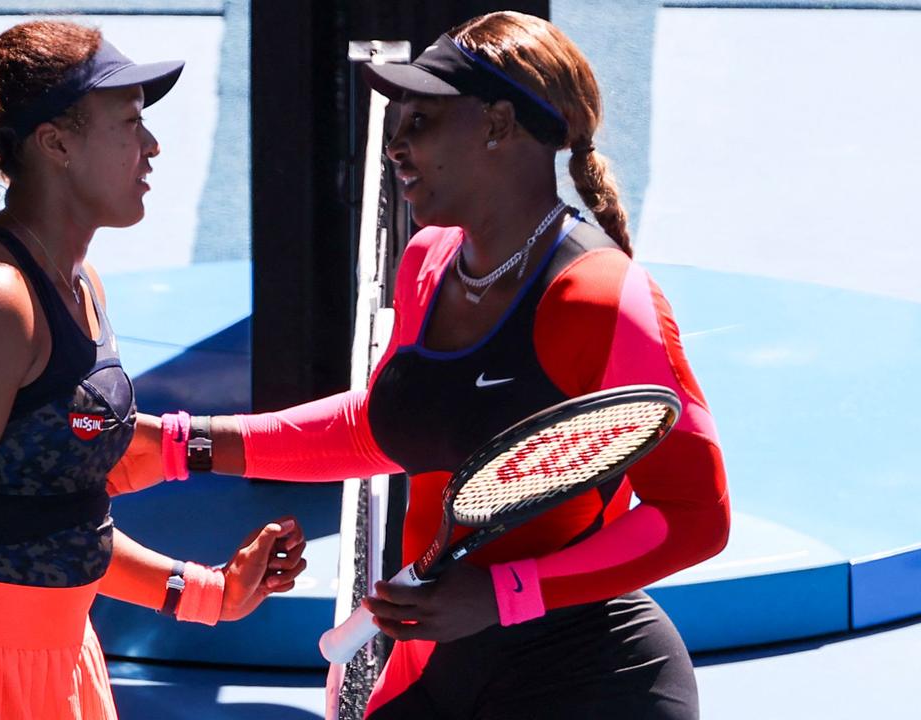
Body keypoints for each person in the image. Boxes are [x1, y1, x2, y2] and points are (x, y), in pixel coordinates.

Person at [120, 11, 729, 719]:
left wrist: (506, 594)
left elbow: (696, 516)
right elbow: (382, 427)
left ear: (498, 126)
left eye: (422, 124)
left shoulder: (601, 299)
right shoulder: (428, 259)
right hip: (433, 669)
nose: (396, 148)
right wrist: (180, 443)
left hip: (590, 679)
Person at [0, 12, 307, 720]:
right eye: (129, 122)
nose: (153, 145)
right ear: (57, 144)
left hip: (58, 669)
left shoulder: (80, 286)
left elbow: (56, 518)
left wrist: (210, 593)